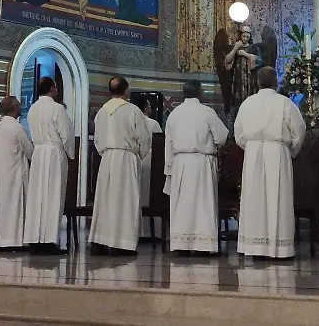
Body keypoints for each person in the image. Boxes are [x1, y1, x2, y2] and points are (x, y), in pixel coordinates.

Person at [233, 66, 306, 259]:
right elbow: (299, 132)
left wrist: (250, 147)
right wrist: (289, 152)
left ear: (257, 82)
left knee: (254, 197)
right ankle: (279, 247)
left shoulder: (247, 103)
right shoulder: (285, 103)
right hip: (277, 152)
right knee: (277, 197)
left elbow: (238, 135)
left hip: (253, 152)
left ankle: (254, 246)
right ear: (276, 82)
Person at [88, 76, 152, 255]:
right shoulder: (132, 110)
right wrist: (138, 155)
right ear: (126, 90)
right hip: (126, 158)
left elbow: (98, 140)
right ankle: (121, 244)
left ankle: (100, 240)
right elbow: (145, 138)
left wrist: (105, 152)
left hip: (107, 158)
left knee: (105, 200)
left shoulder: (102, 112)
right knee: (125, 200)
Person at [165, 80, 229, 255]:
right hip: (201, 163)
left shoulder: (174, 114)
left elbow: (168, 142)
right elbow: (222, 137)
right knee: (203, 203)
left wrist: (169, 170)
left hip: (180, 164)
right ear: (200, 93)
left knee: (182, 204)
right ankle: (203, 246)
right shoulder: (207, 112)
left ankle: (181, 245)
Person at [23, 77, 74, 255]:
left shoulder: (32, 109)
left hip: (38, 154)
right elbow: (66, 135)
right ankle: (49, 240)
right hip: (53, 154)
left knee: (37, 198)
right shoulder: (57, 108)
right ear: (52, 89)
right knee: (53, 196)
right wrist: (71, 154)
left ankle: (35, 239)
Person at [0, 97, 34, 252]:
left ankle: (2, 241)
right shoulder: (17, 127)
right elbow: (29, 150)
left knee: (3, 208)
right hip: (15, 174)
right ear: (15, 109)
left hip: (1, 173)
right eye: (19, 106)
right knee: (15, 207)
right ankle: (15, 241)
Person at [137, 98, 164, 241]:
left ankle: (138, 231)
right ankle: (153, 232)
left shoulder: (133, 120)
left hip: (135, 160)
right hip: (151, 162)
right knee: (151, 196)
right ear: (146, 108)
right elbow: (159, 144)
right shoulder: (153, 123)